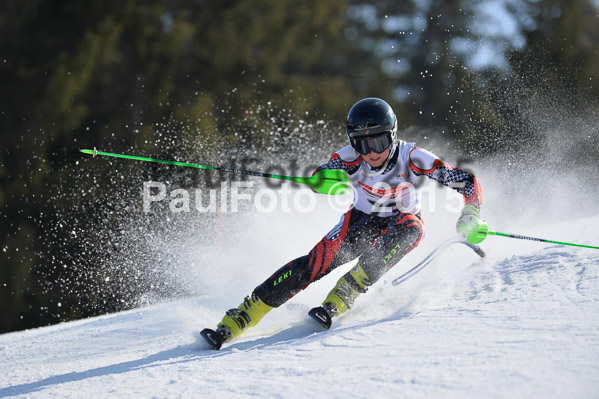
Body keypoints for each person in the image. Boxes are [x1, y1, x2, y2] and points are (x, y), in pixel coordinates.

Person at [202, 97, 487, 349]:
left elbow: (466, 181)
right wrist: (322, 180)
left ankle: (345, 293)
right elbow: (325, 175)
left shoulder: (412, 157)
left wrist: (470, 214)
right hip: (361, 218)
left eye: (379, 142)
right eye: (362, 144)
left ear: (393, 136)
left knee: (414, 229)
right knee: (315, 264)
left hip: (402, 219)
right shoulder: (350, 157)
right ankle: (243, 315)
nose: (372, 152)